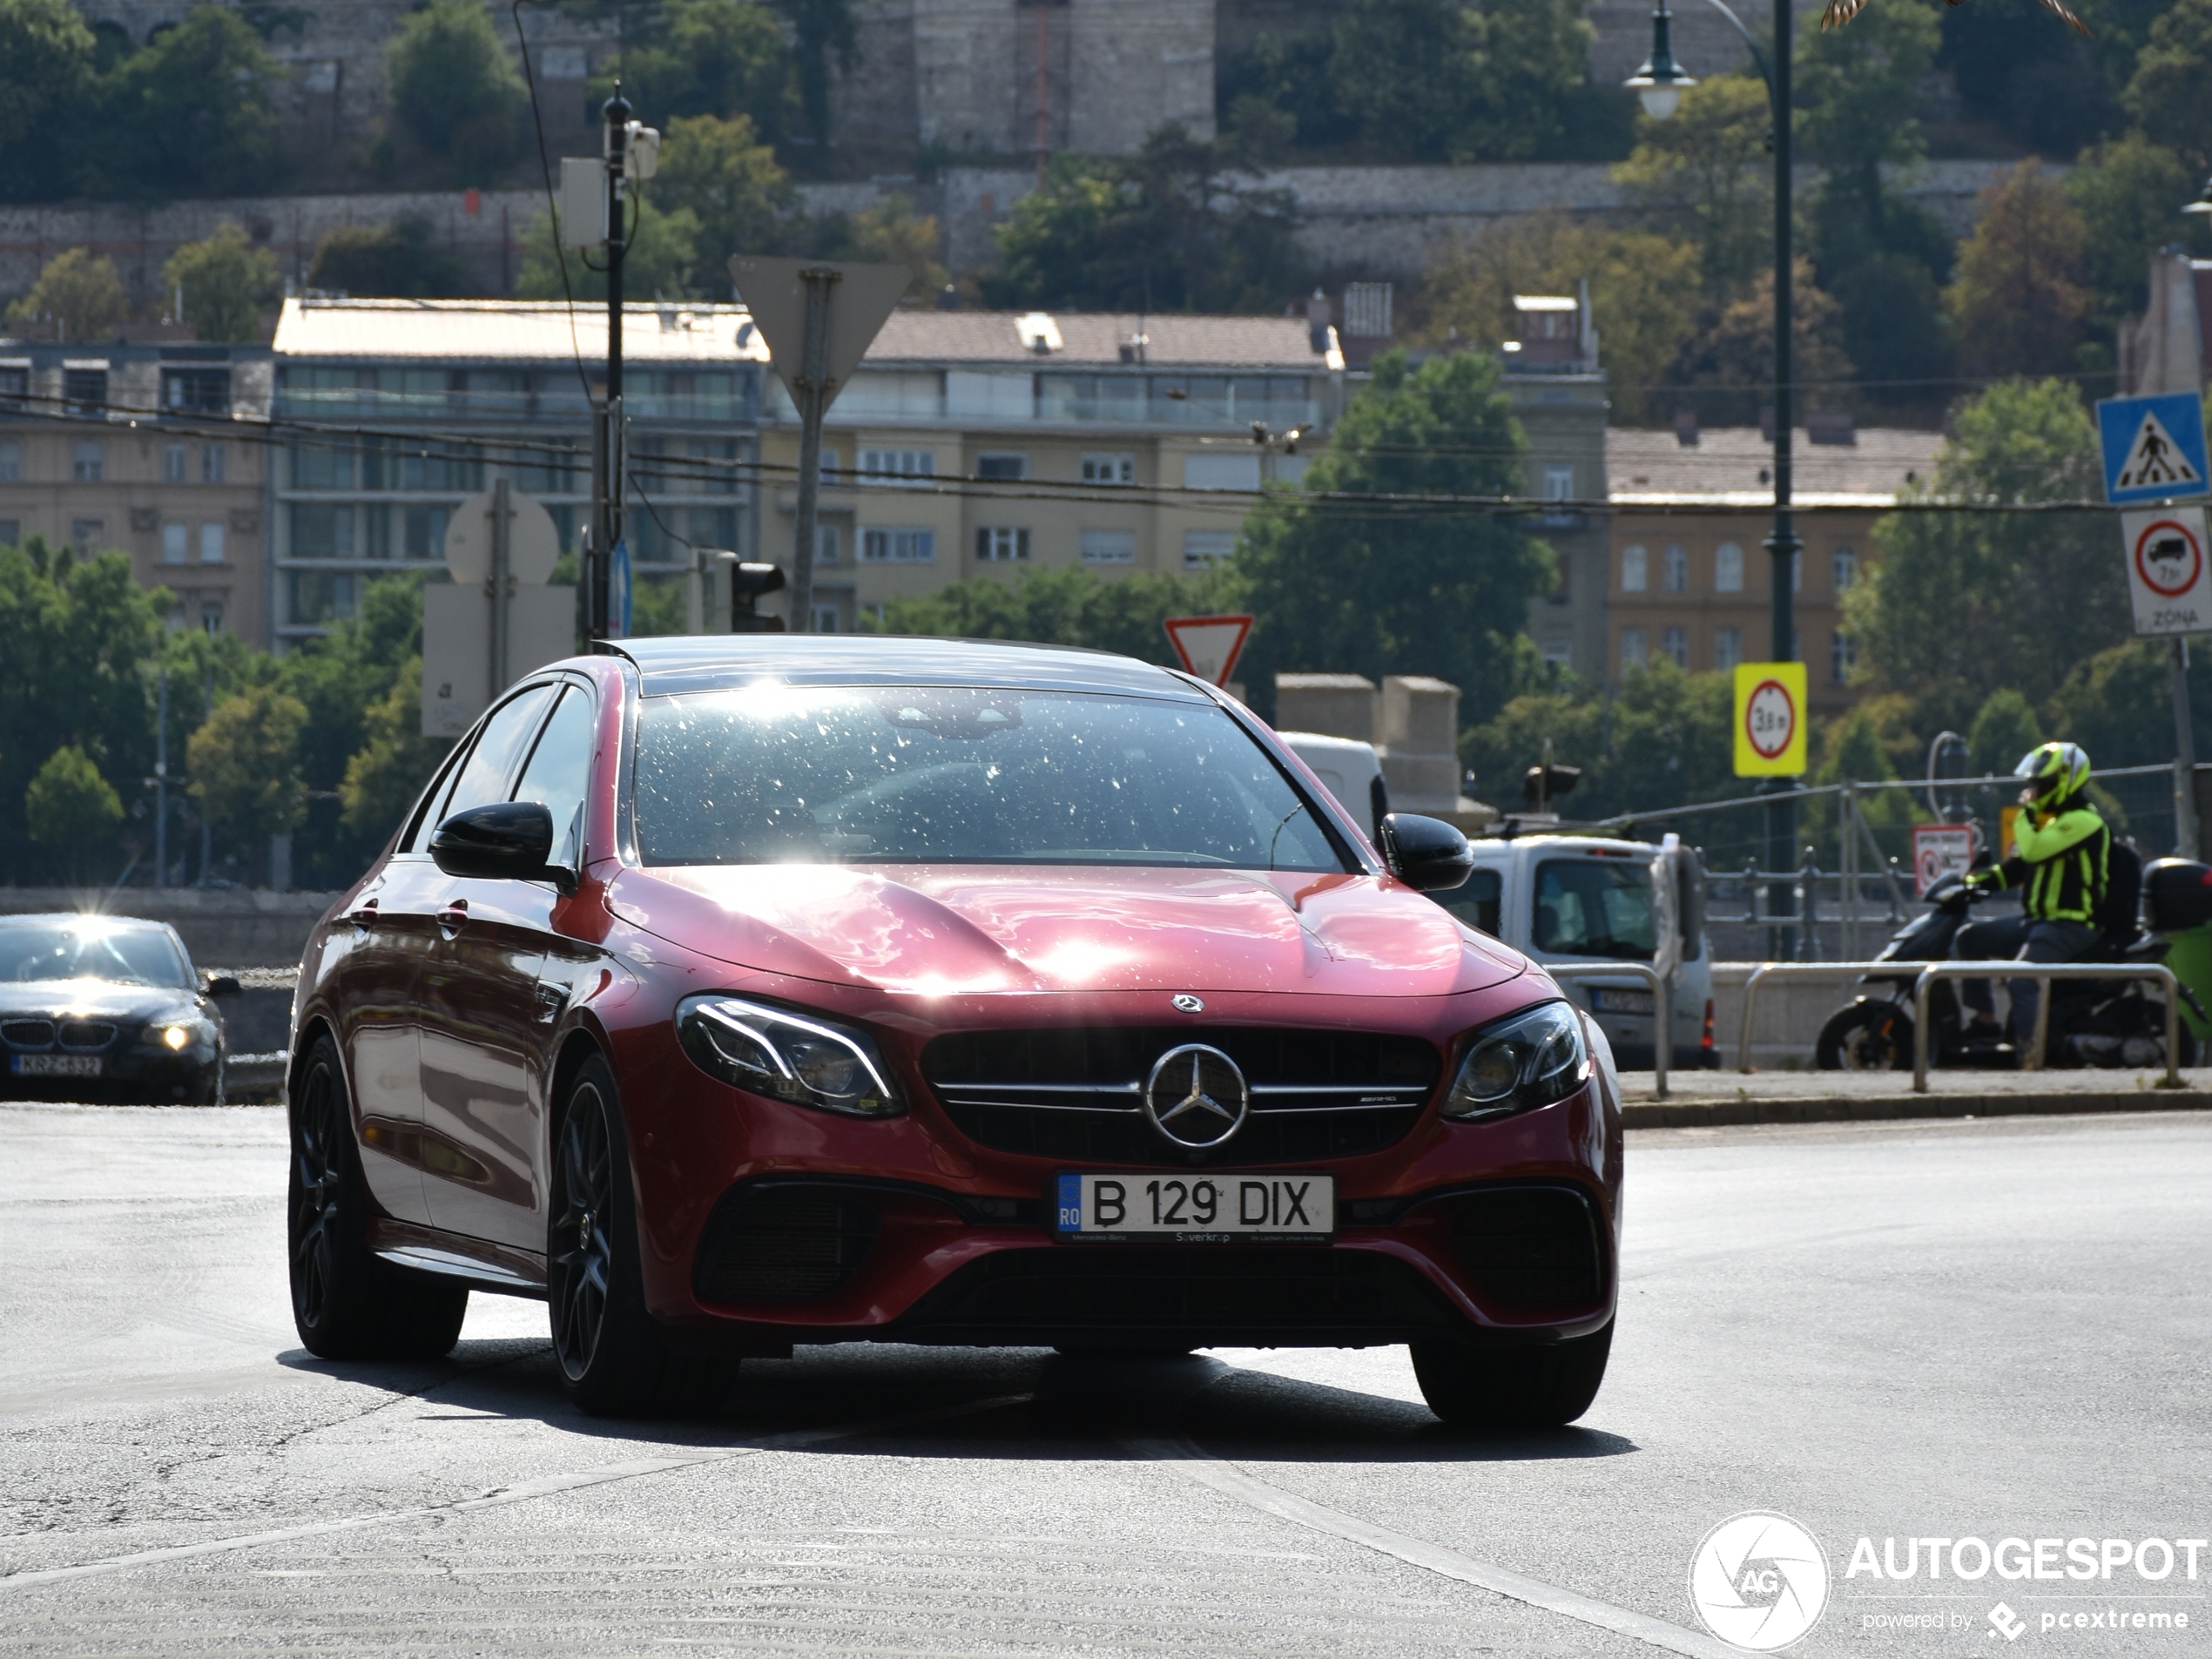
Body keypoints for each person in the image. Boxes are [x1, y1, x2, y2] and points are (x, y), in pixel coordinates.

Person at [1951, 741, 2110, 1060]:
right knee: (1969, 939)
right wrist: (1971, 884)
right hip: (2037, 923)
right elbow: (2021, 866)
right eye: (2033, 784)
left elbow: (2034, 849)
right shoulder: (2048, 824)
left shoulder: (2083, 821)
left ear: (2067, 779)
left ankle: (2029, 1054)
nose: (2035, 790)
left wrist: (2025, 813)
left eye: (2043, 784)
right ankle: (1985, 1024)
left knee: (2022, 980)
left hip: (2070, 924)